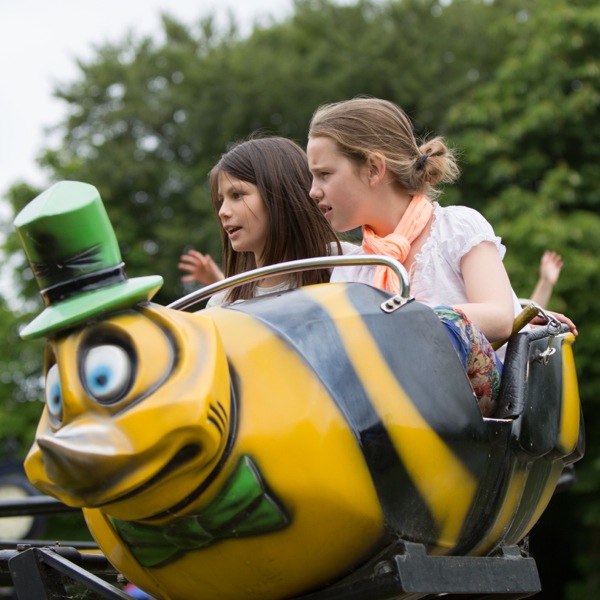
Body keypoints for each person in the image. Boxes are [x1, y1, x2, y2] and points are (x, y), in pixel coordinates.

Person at [306, 97, 529, 417]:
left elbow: (498, 316)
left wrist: (401, 319)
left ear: (373, 169)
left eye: (324, 174)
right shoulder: (352, 269)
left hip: (480, 415)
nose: (313, 190)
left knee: (447, 323)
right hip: (393, 416)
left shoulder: (456, 228)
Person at [189, 136, 346, 307]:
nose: (222, 212)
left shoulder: (347, 265)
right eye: (221, 201)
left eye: (237, 195)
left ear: (279, 194)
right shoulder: (222, 304)